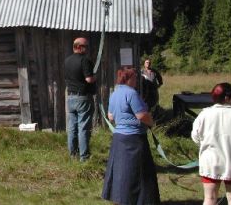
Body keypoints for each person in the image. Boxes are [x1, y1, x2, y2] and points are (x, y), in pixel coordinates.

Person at [102, 67, 160, 204]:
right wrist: (151, 123)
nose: (135, 80)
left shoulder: (114, 93)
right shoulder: (132, 93)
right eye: (134, 77)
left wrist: (122, 119)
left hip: (119, 138)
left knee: (121, 172)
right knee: (138, 173)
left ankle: (121, 199)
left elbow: (110, 116)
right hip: (134, 140)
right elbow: (141, 115)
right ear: (127, 79)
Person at [191, 82, 231, 205]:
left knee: (209, 199)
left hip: (210, 162)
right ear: (227, 97)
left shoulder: (204, 114)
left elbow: (195, 137)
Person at [64, 37, 96, 161]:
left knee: (72, 128)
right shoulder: (84, 60)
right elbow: (88, 79)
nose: (87, 49)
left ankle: (73, 155)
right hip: (82, 97)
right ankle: (84, 157)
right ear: (78, 47)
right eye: (86, 46)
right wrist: (95, 77)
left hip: (71, 97)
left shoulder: (67, 61)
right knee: (83, 128)